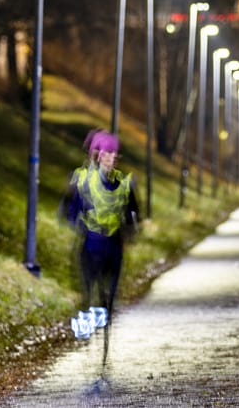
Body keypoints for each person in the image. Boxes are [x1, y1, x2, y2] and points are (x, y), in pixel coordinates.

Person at [60, 129, 140, 340]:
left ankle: (103, 309)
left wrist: (131, 226)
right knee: (88, 288)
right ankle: (89, 310)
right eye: (106, 154)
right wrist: (76, 221)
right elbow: (69, 208)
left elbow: (133, 210)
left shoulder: (123, 183)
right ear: (96, 155)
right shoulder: (81, 179)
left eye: (114, 155)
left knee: (108, 292)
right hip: (90, 243)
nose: (110, 159)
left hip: (112, 244)